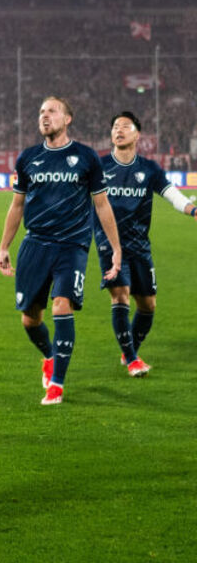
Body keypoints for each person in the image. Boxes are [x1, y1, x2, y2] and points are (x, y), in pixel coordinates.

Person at [0, 97, 121, 406]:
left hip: (72, 246)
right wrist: (4, 246)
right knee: (30, 319)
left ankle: (57, 385)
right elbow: (17, 205)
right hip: (35, 244)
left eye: (51, 111)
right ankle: (50, 356)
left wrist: (116, 248)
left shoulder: (86, 157)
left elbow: (102, 205)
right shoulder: (28, 158)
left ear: (67, 119)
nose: (44, 116)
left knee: (61, 305)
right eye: (41, 111)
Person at [94, 111, 196, 376]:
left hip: (139, 245)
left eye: (125, 126)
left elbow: (172, 195)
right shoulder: (99, 167)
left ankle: (129, 349)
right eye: (115, 126)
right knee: (120, 295)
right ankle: (132, 360)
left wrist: (193, 210)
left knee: (148, 305)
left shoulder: (149, 169)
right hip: (109, 244)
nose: (119, 130)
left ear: (137, 134)